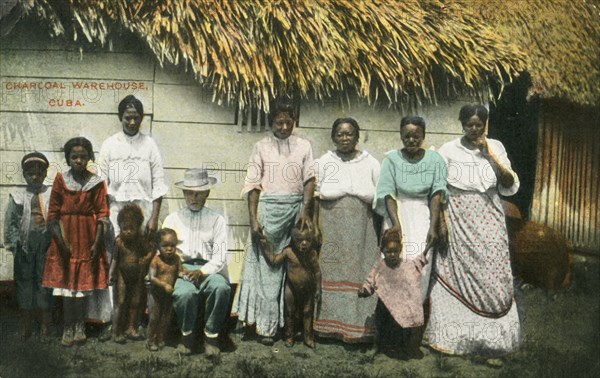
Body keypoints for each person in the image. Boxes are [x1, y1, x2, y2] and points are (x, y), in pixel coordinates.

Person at [426, 104, 522, 356]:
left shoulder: (496, 146)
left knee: (494, 274)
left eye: (479, 125)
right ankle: (455, 340)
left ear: (485, 125)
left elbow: (509, 182)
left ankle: (494, 343)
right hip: (458, 218)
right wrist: (443, 222)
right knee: (456, 273)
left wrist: (488, 154)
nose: (474, 129)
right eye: (469, 124)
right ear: (462, 124)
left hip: (490, 215)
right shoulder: (448, 150)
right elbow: (438, 188)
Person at [236, 101, 316, 345]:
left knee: (293, 268)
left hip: (294, 212)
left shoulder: (304, 145)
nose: (283, 127)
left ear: (294, 121)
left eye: (288, 122)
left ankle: (291, 328)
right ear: (270, 122)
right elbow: (252, 186)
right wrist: (253, 220)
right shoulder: (261, 146)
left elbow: (309, 179)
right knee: (268, 269)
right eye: (278, 122)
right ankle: (266, 328)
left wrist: (304, 210)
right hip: (268, 211)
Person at [94, 94, 169, 339]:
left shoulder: (149, 144)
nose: (132, 122)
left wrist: (154, 217)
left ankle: (134, 323)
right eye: (128, 117)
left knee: (140, 268)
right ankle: (112, 322)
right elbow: (101, 184)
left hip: (143, 211)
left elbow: (158, 183)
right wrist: (105, 217)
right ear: (120, 118)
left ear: (142, 118)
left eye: (136, 117)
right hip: (117, 212)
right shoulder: (109, 144)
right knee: (117, 265)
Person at [374, 115, 447, 357]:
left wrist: (433, 225)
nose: (411, 140)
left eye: (416, 135)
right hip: (397, 216)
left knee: (418, 275)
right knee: (393, 272)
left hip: (422, 216)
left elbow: (437, 194)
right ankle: (388, 340)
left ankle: (411, 341)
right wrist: (396, 227)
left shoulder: (435, 160)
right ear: (401, 136)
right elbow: (387, 193)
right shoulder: (392, 159)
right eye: (407, 136)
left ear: (423, 135)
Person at [313, 117, 381, 343]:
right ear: (333, 137)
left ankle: (356, 331)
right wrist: (315, 226)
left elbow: (380, 196)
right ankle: (328, 328)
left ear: (357, 136)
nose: (345, 138)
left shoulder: (371, 162)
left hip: (362, 227)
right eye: (340, 134)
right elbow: (314, 195)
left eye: (349, 134)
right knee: (332, 271)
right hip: (332, 225)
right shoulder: (324, 162)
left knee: (358, 273)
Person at [42, 137, 110, 346]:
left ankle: (80, 324)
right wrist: (62, 243)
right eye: (74, 157)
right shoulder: (61, 180)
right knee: (67, 285)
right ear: (68, 159)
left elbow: (102, 215)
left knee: (81, 286)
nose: (78, 161)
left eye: (83, 156)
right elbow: (52, 215)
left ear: (89, 157)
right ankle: (67, 325)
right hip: (65, 235)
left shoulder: (96, 183)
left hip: (87, 237)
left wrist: (97, 243)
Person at [162, 168, 231, 357]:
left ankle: (211, 337)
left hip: (209, 269)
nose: (194, 198)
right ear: (183, 193)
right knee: (185, 293)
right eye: (189, 193)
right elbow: (166, 251)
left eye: (199, 193)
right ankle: (187, 337)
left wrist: (202, 272)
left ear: (207, 193)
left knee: (221, 288)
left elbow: (220, 256)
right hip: (182, 268)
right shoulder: (173, 219)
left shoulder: (217, 220)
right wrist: (180, 270)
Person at [4, 152, 53, 341]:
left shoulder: (49, 194)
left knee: (44, 285)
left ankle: (45, 327)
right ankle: (26, 326)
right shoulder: (18, 196)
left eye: (39, 173)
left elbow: (56, 219)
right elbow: (11, 223)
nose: (35, 177)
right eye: (30, 173)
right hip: (24, 247)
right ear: (24, 175)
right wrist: (14, 245)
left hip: (45, 246)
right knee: (25, 285)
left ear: (44, 174)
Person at [358, 229, 426, 359]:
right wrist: (365, 290)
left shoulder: (406, 265)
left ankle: (400, 350)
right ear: (383, 251)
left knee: (400, 328)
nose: (392, 255)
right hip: (384, 305)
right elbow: (370, 280)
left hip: (401, 305)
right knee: (381, 326)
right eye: (389, 252)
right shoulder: (380, 266)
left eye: (395, 251)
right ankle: (377, 347)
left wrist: (428, 248)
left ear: (400, 249)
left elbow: (419, 263)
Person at [259, 221, 321, 348]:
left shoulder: (311, 254)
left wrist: (318, 289)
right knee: (290, 312)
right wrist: (265, 247)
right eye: (300, 240)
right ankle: (289, 337)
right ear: (293, 240)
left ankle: (308, 338)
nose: (304, 243)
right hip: (291, 288)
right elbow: (274, 261)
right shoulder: (288, 252)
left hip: (308, 288)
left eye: (307, 240)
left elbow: (318, 272)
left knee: (308, 312)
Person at [112, 204, 154, 343]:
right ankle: (117, 331)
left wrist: (146, 259)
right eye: (125, 228)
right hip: (122, 275)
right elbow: (114, 259)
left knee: (136, 302)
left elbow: (150, 251)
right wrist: (111, 274)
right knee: (121, 301)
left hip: (137, 276)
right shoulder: (119, 242)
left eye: (132, 228)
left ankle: (132, 328)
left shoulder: (140, 241)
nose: (129, 232)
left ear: (138, 227)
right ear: (120, 226)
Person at [147, 228, 182, 352]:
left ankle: (161, 338)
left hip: (168, 295)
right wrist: (163, 285)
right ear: (158, 246)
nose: (169, 249)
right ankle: (151, 340)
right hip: (155, 294)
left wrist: (185, 275)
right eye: (165, 245)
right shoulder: (156, 260)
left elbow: (180, 271)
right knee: (154, 318)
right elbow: (152, 278)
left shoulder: (176, 259)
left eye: (172, 245)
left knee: (165, 318)